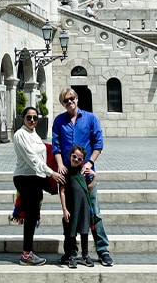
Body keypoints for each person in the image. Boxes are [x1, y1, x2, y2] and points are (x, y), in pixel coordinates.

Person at [52, 88, 113, 267]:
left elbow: (98, 144)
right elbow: (56, 146)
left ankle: (102, 250)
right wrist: (60, 165)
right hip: (67, 174)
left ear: (77, 99)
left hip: (85, 174)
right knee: (69, 214)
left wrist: (90, 163)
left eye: (71, 99)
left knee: (94, 212)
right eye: (65, 101)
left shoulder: (91, 118)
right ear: (63, 104)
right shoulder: (59, 121)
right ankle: (71, 251)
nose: (69, 102)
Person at [13, 106, 65, 266]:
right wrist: (52, 173)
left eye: (35, 118)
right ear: (23, 118)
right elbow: (32, 159)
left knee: (33, 215)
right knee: (30, 216)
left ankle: (28, 252)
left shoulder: (33, 133)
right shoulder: (20, 134)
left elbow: (42, 153)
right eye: (29, 117)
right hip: (25, 178)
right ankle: (26, 255)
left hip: (35, 178)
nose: (32, 120)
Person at [58, 144, 96, 268]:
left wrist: (94, 177)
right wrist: (64, 209)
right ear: (70, 156)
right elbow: (62, 191)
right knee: (71, 232)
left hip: (83, 208)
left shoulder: (83, 173)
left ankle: (85, 255)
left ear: (83, 161)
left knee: (85, 231)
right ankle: (72, 255)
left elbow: (89, 188)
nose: (76, 160)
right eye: (74, 157)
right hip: (71, 208)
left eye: (79, 159)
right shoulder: (66, 172)